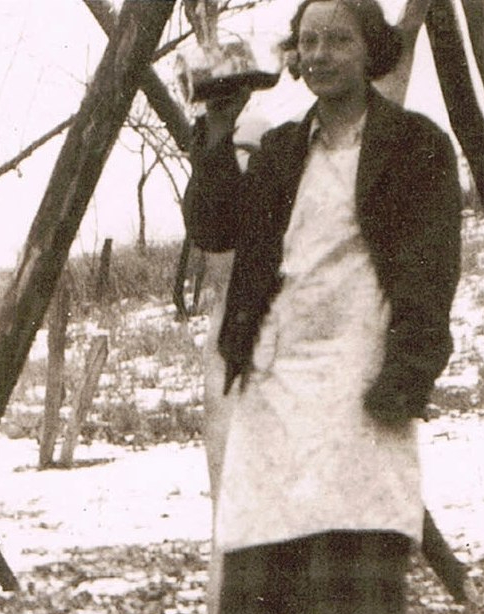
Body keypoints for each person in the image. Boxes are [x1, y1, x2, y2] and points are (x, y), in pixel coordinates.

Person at [183, 1, 460, 611]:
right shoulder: (282, 150)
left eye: (337, 40)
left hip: (361, 386)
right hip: (275, 390)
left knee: (351, 581)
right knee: (265, 582)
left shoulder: (416, 146)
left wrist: (406, 379)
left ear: (370, 51)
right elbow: (214, 228)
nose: (319, 55)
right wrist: (217, 133)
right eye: (308, 42)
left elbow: (431, 278)